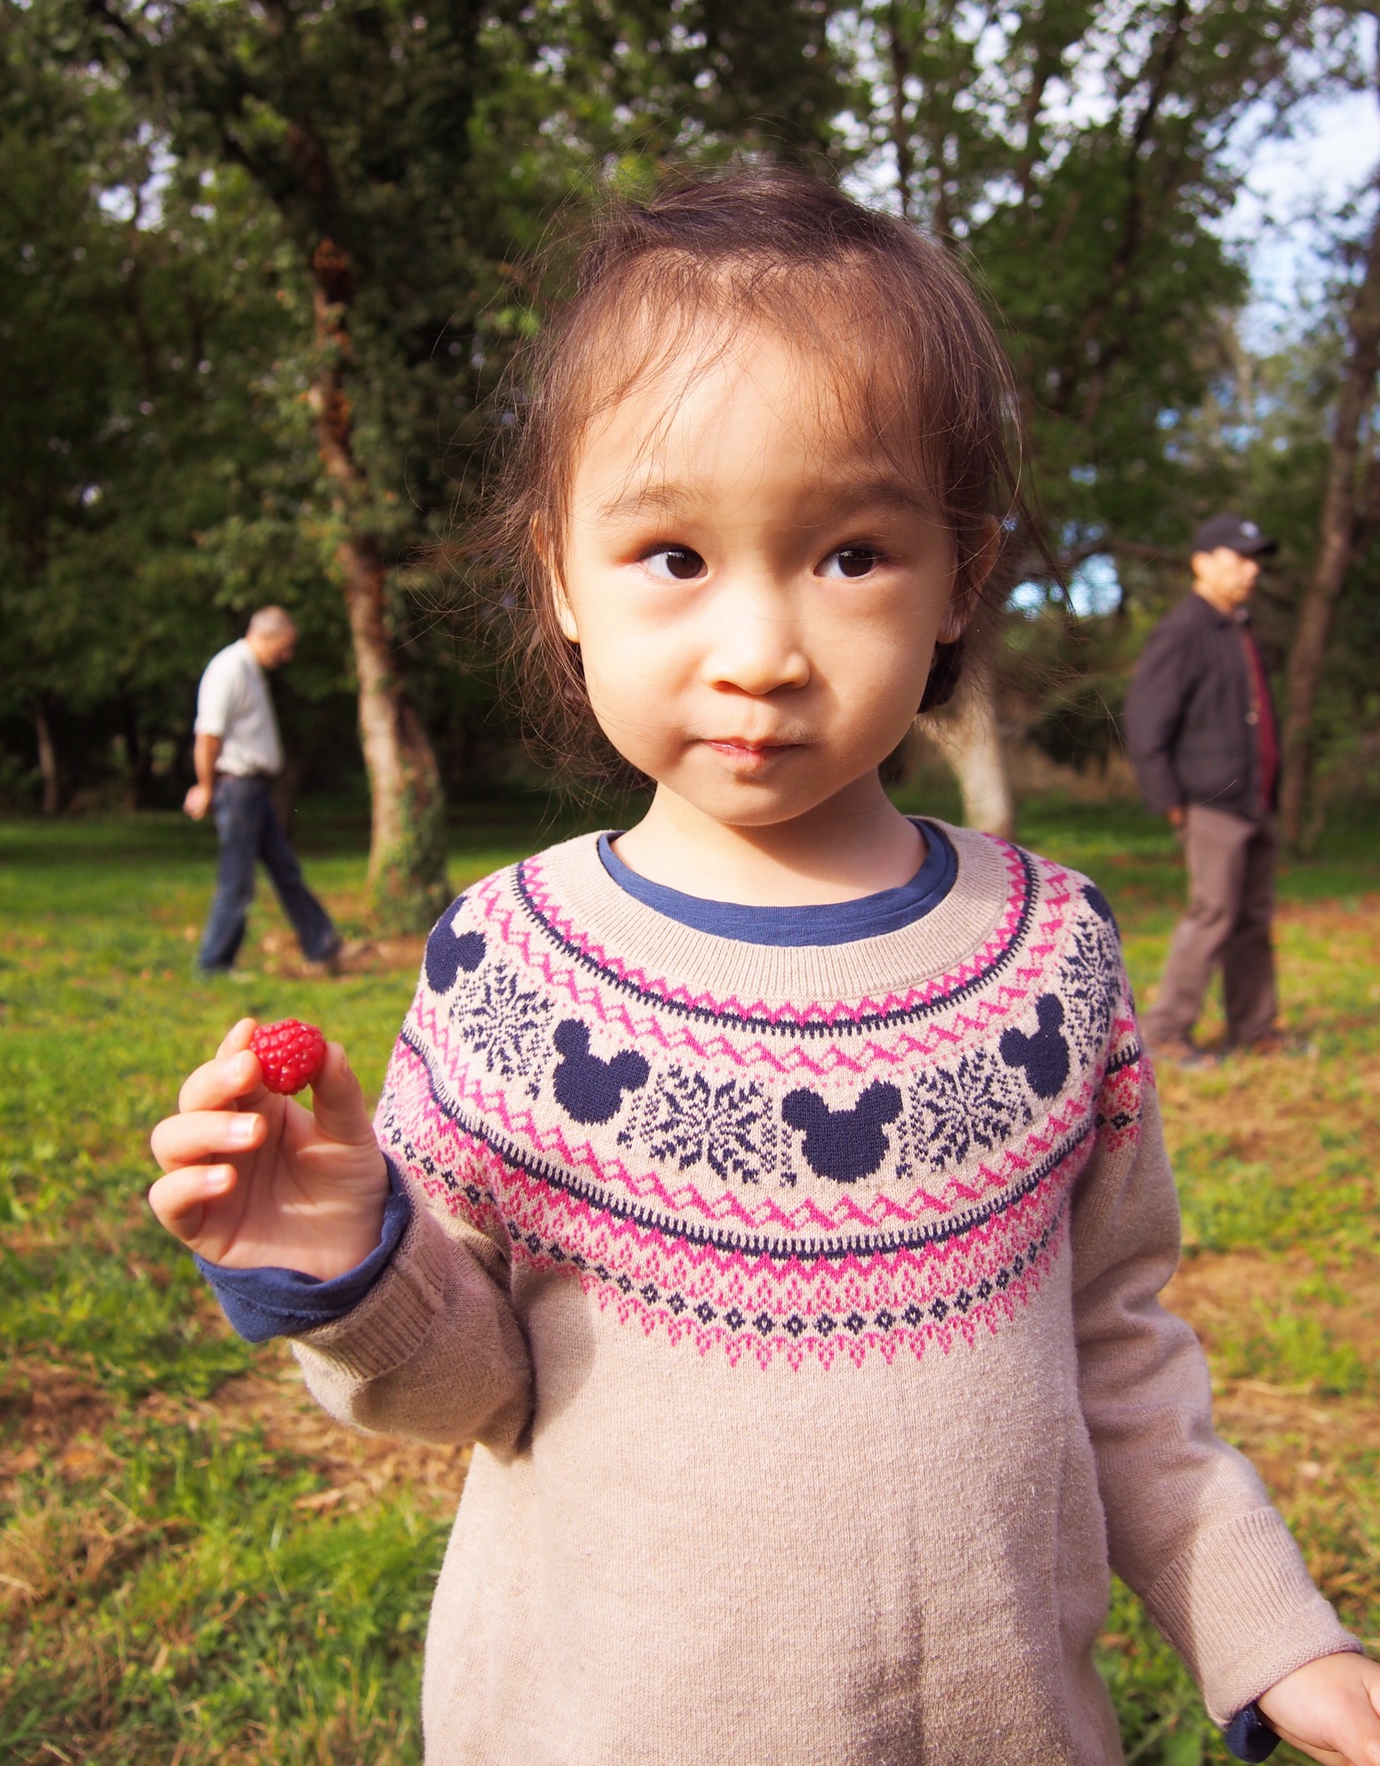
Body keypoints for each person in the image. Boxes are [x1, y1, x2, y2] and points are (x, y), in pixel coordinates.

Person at [148, 174, 1380, 1766]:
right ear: (558, 581)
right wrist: (349, 1253)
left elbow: (1118, 1347)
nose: (761, 649)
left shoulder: (1051, 955)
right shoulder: (513, 968)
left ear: (961, 577)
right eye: (670, 552)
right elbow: (472, 1386)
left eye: (852, 553)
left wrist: (1270, 1627)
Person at [1124, 516, 1282, 1062]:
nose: (1250, 569)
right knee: (1213, 913)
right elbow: (1147, 720)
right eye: (1238, 557)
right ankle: (1166, 1031)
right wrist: (1169, 800)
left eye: (1254, 558)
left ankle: (1255, 1028)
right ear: (1202, 562)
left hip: (1254, 799)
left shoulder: (1237, 625)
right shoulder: (1185, 629)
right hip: (1211, 800)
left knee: (1253, 919)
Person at [185, 606, 342, 977]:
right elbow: (208, 736)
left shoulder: (251, 671)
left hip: (253, 790)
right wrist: (205, 787)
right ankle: (213, 964)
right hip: (237, 789)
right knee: (237, 880)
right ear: (266, 636)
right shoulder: (229, 669)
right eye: (284, 648)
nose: (286, 656)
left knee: (285, 868)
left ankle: (322, 944)